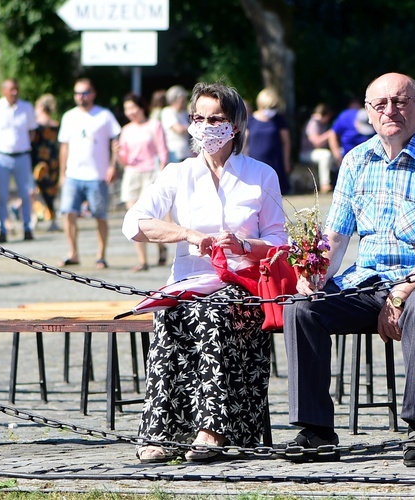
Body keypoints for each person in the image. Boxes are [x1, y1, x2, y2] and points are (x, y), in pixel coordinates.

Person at [282, 72, 415, 467]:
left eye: (401, 101)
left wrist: (402, 292)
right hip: (370, 279)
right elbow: (336, 238)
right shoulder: (356, 160)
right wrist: (315, 273)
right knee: (301, 308)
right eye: (381, 104)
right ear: (369, 113)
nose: (391, 110)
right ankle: (316, 431)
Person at [122, 81, 287, 463]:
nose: (206, 126)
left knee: (216, 313)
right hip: (188, 280)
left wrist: (244, 245)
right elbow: (135, 223)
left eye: (217, 118)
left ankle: (212, 430)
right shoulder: (178, 173)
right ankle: (161, 431)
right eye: (199, 117)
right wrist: (187, 234)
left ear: (236, 125)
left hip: (241, 282)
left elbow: (281, 241)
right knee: (170, 314)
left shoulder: (260, 175)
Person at [57, 78, 121, 269]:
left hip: (96, 175)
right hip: (73, 174)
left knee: (100, 215)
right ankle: (73, 253)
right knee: (68, 212)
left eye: (84, 93)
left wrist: (112, 166)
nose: (80, 97)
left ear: (93, 94)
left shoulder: (104, 115)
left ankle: (101, 255)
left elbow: (115, 142)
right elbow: (64, 147)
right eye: (77, 93)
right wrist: (62, 173)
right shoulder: (69, 116)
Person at [117, 92, 169, 272]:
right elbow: (124, 159)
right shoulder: (126, 130)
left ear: (141, 107)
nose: (130, 112)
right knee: (133, 215)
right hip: (132, 173)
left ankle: (160, 245)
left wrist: (162, 171)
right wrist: (117, 154)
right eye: (127, 109)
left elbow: (162, 151)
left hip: (150, 173)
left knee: (150, 216)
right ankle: (142, 259)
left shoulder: (154, 125)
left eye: (133, 107)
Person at [0, 78, 38, 243]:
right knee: (2, 194)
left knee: (25, 193)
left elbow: (32, 131)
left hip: (21, 155)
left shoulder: (26, 107)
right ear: (4, 91)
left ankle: (27, 227)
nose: (14, 92)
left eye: (16, 89)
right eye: (11, 89)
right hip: (2, 155)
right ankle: (2, 228)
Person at [246, 88, 292, 194]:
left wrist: (286, 162)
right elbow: (244, 143)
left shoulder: (279, 120)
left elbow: (286, 142)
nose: (271, 110)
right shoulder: (250, 121)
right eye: (269, 107)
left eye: (274, 107)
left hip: (276, 163)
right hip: (255, 163)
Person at [31, 94, 61, 232]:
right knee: (50, 190)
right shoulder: (56, 124)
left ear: (41, 107)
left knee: (37, 190)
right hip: (54, 160)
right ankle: (51, 219)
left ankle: (36, 217)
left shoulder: (36, 125)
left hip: (39, 161)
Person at [299, 103, 335, 193]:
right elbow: (316, 142)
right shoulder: (313, 123)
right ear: (325, 115)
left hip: (313, 153)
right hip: (307, 153)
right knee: (326, 155)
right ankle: (324, 184)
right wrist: (329, 134)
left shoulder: (319, 123)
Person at [328, 97, 374, 166]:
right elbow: (332, 134)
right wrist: (336, 154)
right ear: (357, 122)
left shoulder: (375, 120)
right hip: (346, 156)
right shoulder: (345, 117)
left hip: (368, 159)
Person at [159, 85, 192, 163]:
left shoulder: (183, 113)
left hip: (186, 152)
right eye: (182, 99)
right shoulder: (167, 112)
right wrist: (192, 127)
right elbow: (178, 129)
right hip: (175, 153)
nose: (185, 101)